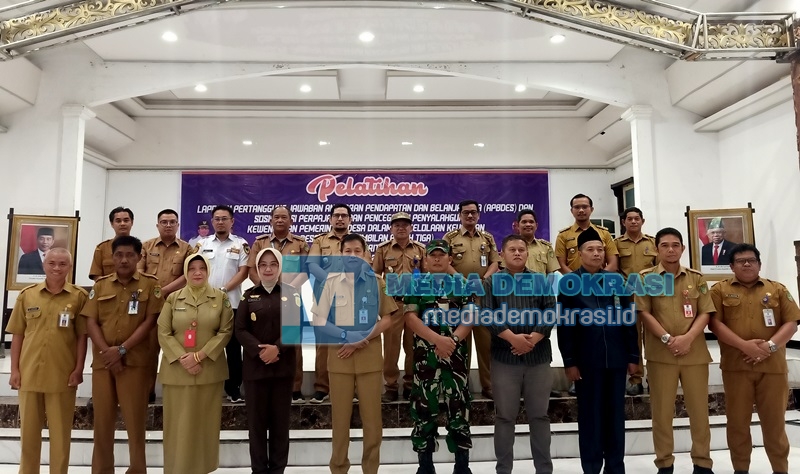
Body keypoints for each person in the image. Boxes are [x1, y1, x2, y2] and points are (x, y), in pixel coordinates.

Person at [708, 243, 799, 474]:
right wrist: (744, 346)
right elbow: (714, 324)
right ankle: (741, 470)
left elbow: (791, 323)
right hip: (736, 368)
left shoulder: (777, 289)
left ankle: (780, 470)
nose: (747, 264)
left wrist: (770, 346)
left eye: (751, 260)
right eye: (741, 261)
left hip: (773, 368)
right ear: (732, 266)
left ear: (759, 264)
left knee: (775, 424)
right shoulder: (719, 290)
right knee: (737, 424)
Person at [311, 233, 396, 474]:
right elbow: (319, 320)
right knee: (340, 421)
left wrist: (361, 338)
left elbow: (387, 319)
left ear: (366, 254)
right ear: (340, 254)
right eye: (347, 251)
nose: (352, 255)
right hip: (340, 358)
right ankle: (339, 468)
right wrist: (346, 336)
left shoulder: (377, 282)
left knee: (373, 422)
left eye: (357, 251)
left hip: (370, 360)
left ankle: (370, 469)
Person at [557, 228, 639, 474]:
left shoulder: (616, 281)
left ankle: (615, 467)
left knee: (615, 418)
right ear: (580, 254)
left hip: (616, 360)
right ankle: (591, 467)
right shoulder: (570, 284)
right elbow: (565, 325)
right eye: (590, 249)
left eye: (600, 249)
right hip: (586, 362)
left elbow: (629, 322)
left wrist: (633, 357)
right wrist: (570, 361)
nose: (596, 253)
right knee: (590, 418)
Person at [635, 227, 715, 474]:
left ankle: (702, 463)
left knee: (699, 412)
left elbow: (706, 312)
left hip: (694, 354)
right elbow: (643, 312)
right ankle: (664, 463)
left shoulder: (696, 278)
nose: (670, 250)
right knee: (661, 413)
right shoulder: (645, 278)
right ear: (656, 249)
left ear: (682, 248)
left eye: (675, 245)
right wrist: (668, 339)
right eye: (665, 245)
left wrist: (688, 338)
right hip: (661, 355)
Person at [82, 235, 164, 474]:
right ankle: (102, 470)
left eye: (130, 255)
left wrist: (121, 350)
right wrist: (107, 352)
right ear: (112, 258)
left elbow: (150, 321)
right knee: (102, 422)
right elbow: (91, 321)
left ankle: (137, 469)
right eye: (119, 255)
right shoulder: (101, 286)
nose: (124, 260)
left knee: (135, 421)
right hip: (104, 363)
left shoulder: (150, 285)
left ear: (139, 257)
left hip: (135, 362)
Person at [7, 248, 88, 474]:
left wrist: (78, 369)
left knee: (61, 435)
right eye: (52, 263)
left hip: (62, 375)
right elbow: (17, 334)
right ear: (44, 265)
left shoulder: (79, 297)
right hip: (29, 373)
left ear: (69, 267)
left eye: (62, 264)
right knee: (29, 434)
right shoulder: (27, 295)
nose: (56, 268)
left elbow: (82, 337)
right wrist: (14, 370)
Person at [484, 234, 556, 474]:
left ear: (527, 253)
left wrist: (533, 339)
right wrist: (513, 338)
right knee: (505, 417)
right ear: (501, 255)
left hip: (538, 357)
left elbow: (551, 311)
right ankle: (503, 470)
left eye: (521, 250)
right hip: (505, 358)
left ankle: (544, 469)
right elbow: (487, 314)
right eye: (512, 250)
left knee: (540, 417)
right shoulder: (491, 282)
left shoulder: (541, 280)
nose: (517, 253)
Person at [157, 253, 233, 474]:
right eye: (192, 268)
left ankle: (204, 469)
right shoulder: (173, 298)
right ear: (185, 272)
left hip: (209, 371)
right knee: (177, 427)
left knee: (205, 427)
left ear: (208, 271)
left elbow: (225, 331)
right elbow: (163, 332)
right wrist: (184, 358)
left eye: (202, 268)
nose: (197, 272)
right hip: (177, 372)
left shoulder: (221, 298)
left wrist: (199, 356)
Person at [404, 239, 473, 474]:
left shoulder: (461, 284)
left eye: (441, 255)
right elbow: (410, 318)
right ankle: (425, 467)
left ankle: (462, 466)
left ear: (449, 259)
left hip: (455, 360)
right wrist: (437, 340)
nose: (436, 258)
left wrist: (452, 341)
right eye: (432, 255)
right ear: (425, 259)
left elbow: (469, 317)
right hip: (427, 360)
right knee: (423, 412)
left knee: (459, 411)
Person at [237, 248, 303, 474]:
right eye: (263, 264)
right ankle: (258, 470)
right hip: (255, 370)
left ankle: (277, 470)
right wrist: (260, 351)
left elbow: (296, 327)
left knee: (280, 425)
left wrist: (277, 349)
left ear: (280, 267)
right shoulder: (248, 295)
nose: (268, 269)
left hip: (283, 369)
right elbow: (240, 329)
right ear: (257, 268)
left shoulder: (292, 293)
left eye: (273, 264)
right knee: (256, 426)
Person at [306, 203, 372, 404]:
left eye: (344, 215)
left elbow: (366, 265)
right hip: (325, 296)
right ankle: (322, 387)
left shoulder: (360, 241)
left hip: (351, 296)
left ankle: (351, 388)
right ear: (330, 219)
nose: (340, 219)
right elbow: (312, 265)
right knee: (323, 344)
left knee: (350, 340)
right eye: (336, 215)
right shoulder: (320, 240)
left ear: (350, 219)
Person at [247, 206, 309, 404]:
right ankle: (265, 381)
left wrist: (288, 290)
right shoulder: (260, 242)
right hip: (263, 300)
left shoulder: (300, 243)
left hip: (292, 300)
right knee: (265, 338)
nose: (280, 220)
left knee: (293, 343)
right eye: (276, 217)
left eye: (284, 217)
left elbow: (306, 271)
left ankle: (295, 387)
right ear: (271, 220)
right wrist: (265, 288)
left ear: (291, 221)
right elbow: (251, 270)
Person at [443, 199, 500, 399]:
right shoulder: (450, 238)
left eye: (473, 212)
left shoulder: (487, 238)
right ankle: (461, 385)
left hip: (482, 297)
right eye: (466, 212)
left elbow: (495, 262)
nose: (470, 215)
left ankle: (488, 385)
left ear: (478, 215)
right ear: (459, 215)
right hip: (459, 298)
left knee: (486, 345)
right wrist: (461, 280)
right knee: (460, 345)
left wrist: (484, 280)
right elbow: (444, 262)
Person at [193, 205, 249, 403]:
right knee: (205, 345)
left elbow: (243, 272)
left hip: (230, 303)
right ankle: (206, 386)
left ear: (232, 221)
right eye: (217, 218)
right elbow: (195, 270)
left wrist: (223, 290)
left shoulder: (241, 244)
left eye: (224, 218)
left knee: (233, 348)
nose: (220, 222)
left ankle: (234, 389)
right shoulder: (202, 244)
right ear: (212, 221)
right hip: (204, 303)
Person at [138, 208, 192, 402]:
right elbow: (139, 271)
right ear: (157, 225)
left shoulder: (187, 249)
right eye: (164, 222)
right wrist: (154, 292)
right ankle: (147, 392)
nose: (168, 225)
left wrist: (164, 290)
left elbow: (188, 274)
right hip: (150, 307)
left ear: (178, 225)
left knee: (178, 350)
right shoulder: (146, 246)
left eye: (172, 222)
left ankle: (176, 393)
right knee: (149, 351)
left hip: (177, 306)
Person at [372, 211, 426, 402]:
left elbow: (426, 276)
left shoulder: (420, 249)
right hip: (392, 305)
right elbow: (375, 276)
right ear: (391, 229)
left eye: (405, 225)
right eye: (397, 225)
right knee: (391, 348)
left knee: (413, 347)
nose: (401, 228)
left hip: (413, 305)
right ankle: (391, 385)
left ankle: (410, 384)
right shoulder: (383, 249)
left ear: (411, 228)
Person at [614, 206, 657, 396]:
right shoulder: (616, 244)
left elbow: (659, 269)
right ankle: (636, 379)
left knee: (652, 337)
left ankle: (654, 377)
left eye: (636, 218)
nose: (633, 221)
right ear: (623, 222)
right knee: (632, 338)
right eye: (629, 219)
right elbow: (614, 270)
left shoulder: (653, 243)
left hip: (650, 297)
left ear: (642, 221)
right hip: (628, 298)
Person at [555, 194, 618, 274]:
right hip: (574, 280)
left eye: (584, 207)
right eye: (577, 207)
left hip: (600, 280)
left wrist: (598, 278)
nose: (581, 210)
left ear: (591, 209)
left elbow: (613, 263)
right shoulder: (563, 235)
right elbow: (560, 265)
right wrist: (576, 278)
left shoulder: (604, 233)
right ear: (571, 210)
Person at [89, 206, 134, 280]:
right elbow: (96, 275)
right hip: (107, 287)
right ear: (112, 224)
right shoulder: (101, 248)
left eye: (126, 220)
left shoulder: (140, 248)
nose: (122, 224)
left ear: (132, 222)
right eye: (118, 221)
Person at [514, 209, 559, 274]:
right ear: (518, 226)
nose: (528, 224)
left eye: (531, 222)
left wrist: (547, 282)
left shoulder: (546, 247)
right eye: (524, 222)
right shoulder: (510, 247)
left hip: (540, 281)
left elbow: (551, 274)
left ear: (536, 226)